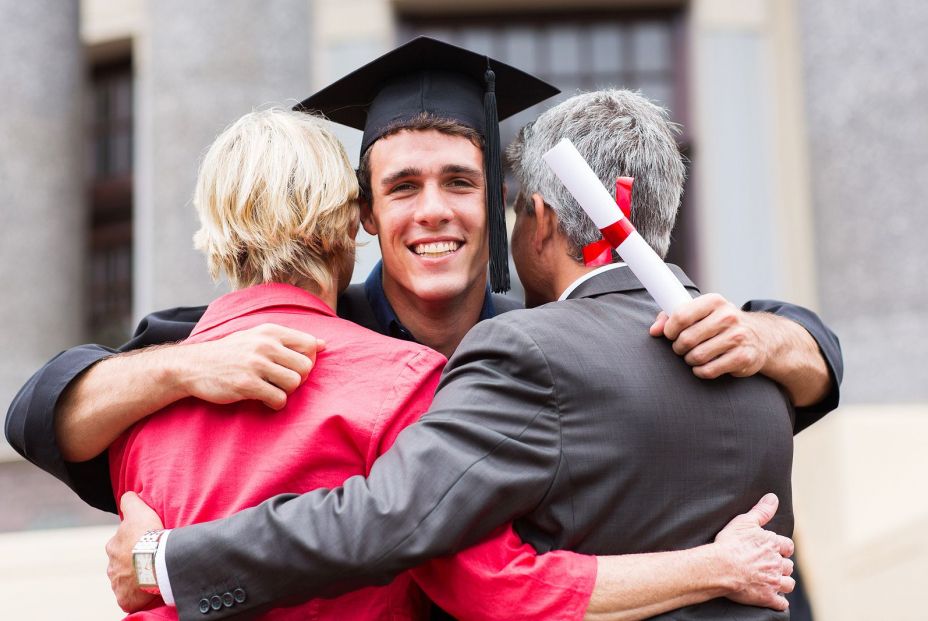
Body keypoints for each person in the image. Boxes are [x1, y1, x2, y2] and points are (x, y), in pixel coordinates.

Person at [5, 37, 838, 615]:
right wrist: (176, 370)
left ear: (505, 209)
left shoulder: (547, 341)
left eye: (459, 182)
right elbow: (45, 416)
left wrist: (783, 341)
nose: (433, 211)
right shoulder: (275, 343)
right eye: (403, 187)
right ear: (361, 215)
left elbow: (750, 371)